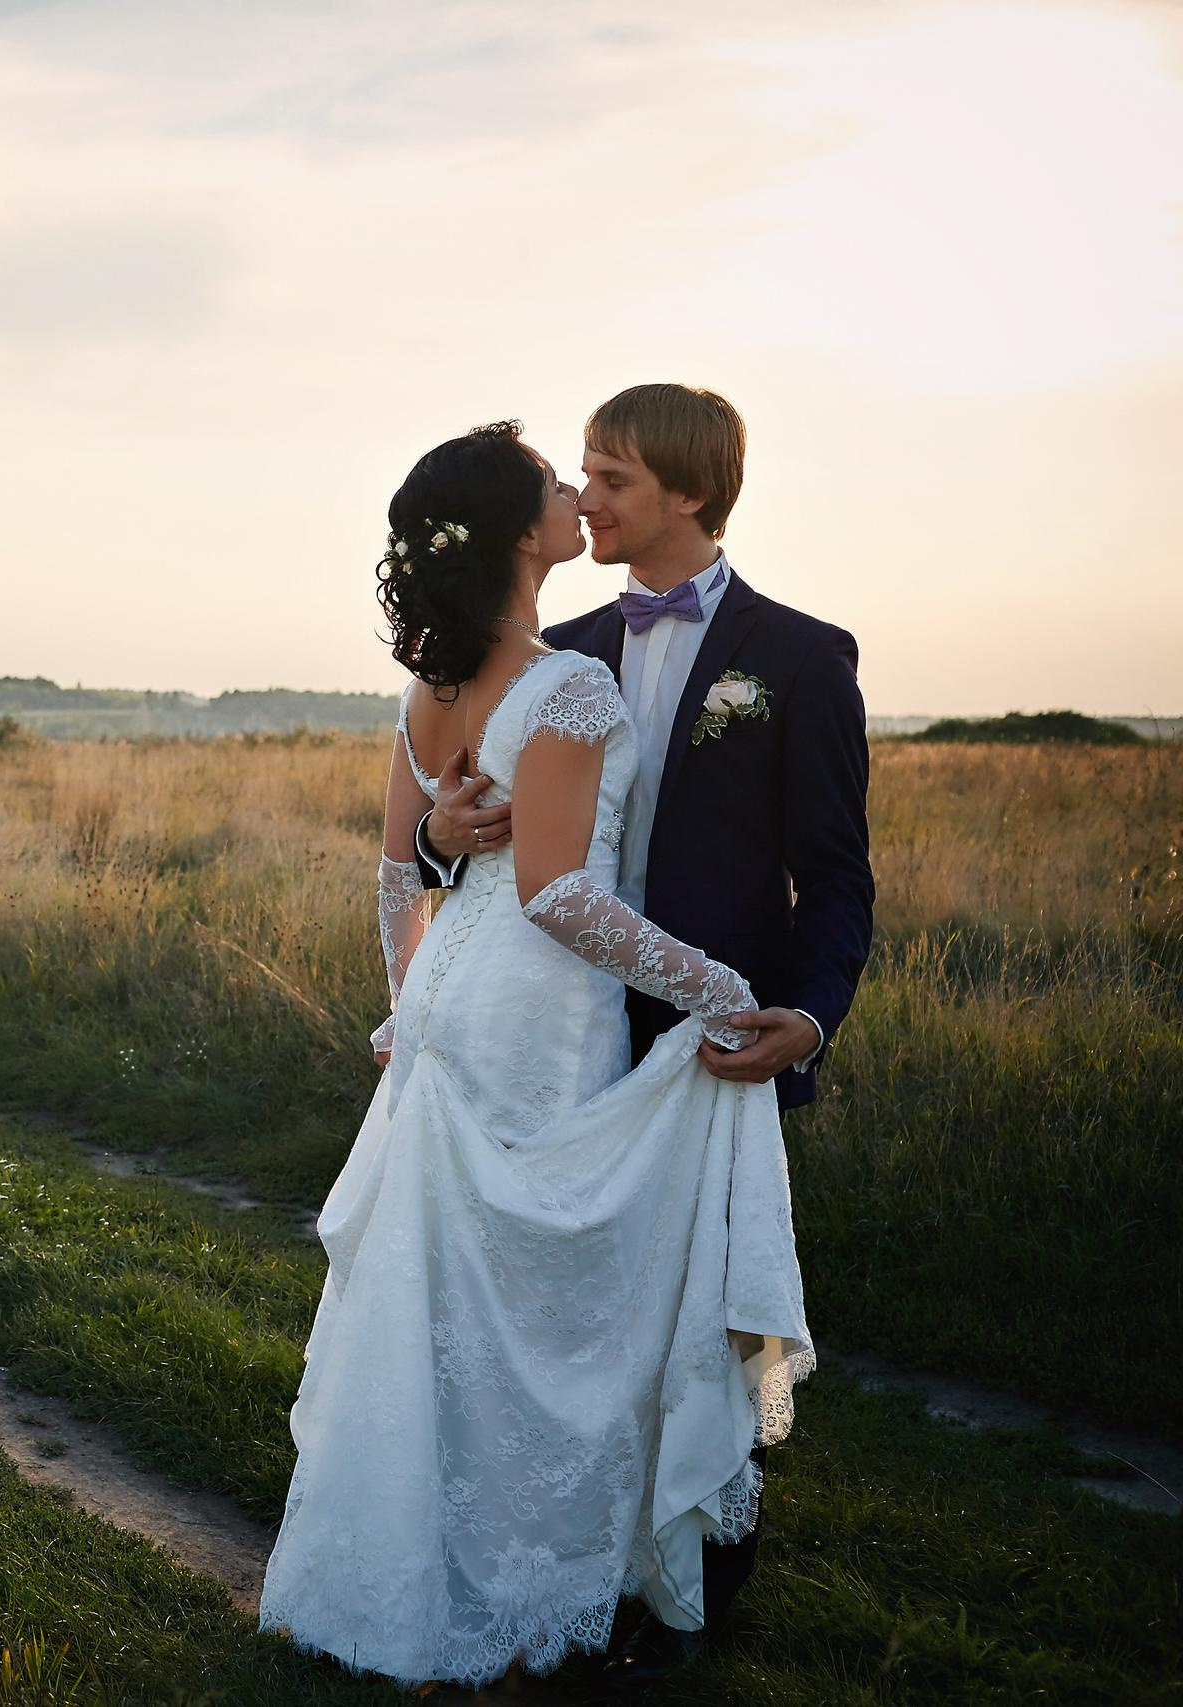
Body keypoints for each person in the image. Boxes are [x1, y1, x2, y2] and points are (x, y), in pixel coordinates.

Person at [255, 417, 818, 1691]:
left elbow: (397, 875)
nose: (576, 494)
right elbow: (558, 894)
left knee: (453, 1290)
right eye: (559, 483)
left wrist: (407, 1004)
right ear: (522, 534)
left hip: (454, 1006)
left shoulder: (433, 684)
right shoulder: (566, 684)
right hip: (537, 1013)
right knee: (543, 1296)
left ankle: (425, 1556)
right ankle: (518, 1579)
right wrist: (721, 989)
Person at [411, 385, 874, 1676]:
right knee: (576, 1328)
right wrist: (439, 837)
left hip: (715, 1049)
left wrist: (808, 1020)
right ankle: (577, 1570)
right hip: (564, 1038)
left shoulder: (801, 658)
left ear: (691, 492)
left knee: (699, 1318)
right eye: (584, 475)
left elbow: (837, 880)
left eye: (611, 477)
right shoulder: (549, 652)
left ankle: (696, 1596)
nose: (588, 497)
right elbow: (459, 850)